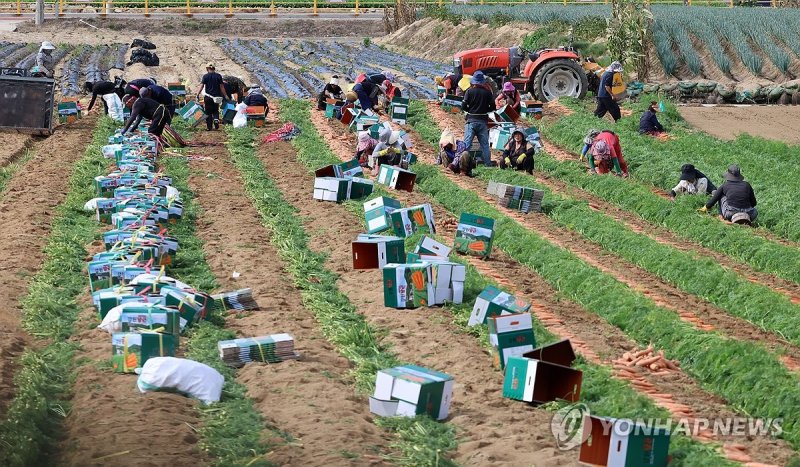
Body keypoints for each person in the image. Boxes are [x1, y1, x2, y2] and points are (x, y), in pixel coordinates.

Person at [461, 71, 496, 167]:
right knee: (484, 145)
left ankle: (463, 164)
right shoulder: (488, 93)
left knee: (467, 145)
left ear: (474, 82)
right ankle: (488, 164)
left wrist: (470, 110)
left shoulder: (469, 91)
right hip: (483, 121)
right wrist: (485, 109)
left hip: (471, 120)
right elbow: (493, 107)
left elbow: (463, 106)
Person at [195, 63, 229, 131]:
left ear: (207, 69)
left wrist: (197, 94)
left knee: (208, 112)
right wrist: (225, 95)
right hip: (217, 97)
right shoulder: (218, 76)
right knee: (215, 110)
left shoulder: (205, 76)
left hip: (208, 97)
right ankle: (216, 119)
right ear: (214, 68)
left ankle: (209, 127)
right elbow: (222, 87)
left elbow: (201, 86)